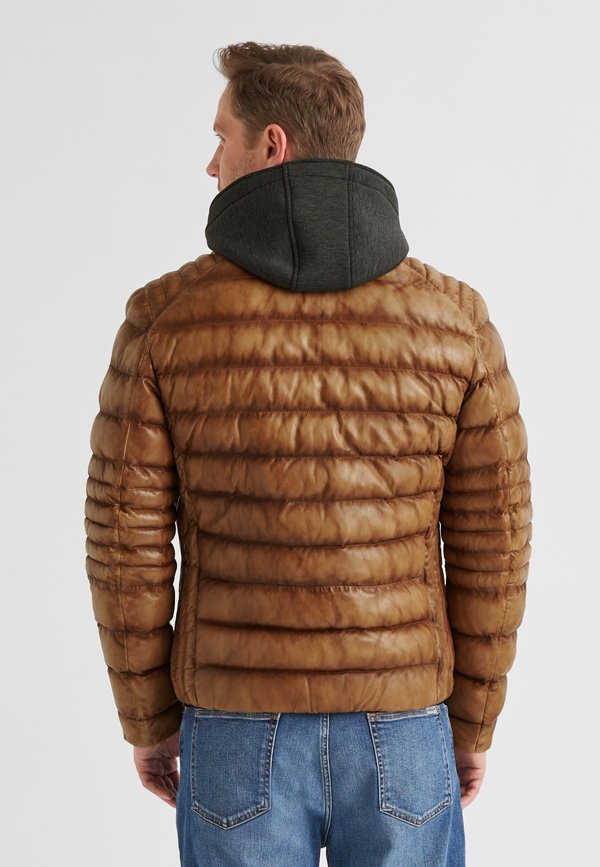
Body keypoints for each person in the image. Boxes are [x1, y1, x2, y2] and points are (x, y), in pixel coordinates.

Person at [84, 40, 532, 867]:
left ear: (272, 145)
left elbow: (125, 544)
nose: (210, 162)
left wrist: (147, 716)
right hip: (404, 722)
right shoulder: (455, 322)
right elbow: (494, 541)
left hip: (233, 721)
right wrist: (471, 720)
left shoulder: (165, 320)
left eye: (221, 137)